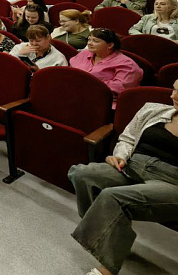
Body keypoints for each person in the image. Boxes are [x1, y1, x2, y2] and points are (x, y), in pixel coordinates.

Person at [67, 79, 178, 275]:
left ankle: (106, 270)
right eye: (174, 90)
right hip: (132, 165)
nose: (173, 96)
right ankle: (109, 230)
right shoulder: (153, 110)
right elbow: (128, 138)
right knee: (81, 173)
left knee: (112, 197)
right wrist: (119, 156)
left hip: (170, 180)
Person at [69, 29, 143, 106]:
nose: (89, 43)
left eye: (95, 41)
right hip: (76, 96)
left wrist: (87, 85)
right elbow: (70, 72)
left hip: (105, 103)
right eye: (89, 40)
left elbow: (120, 88)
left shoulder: (127, 64)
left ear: (110, 45)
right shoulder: (84, 53)